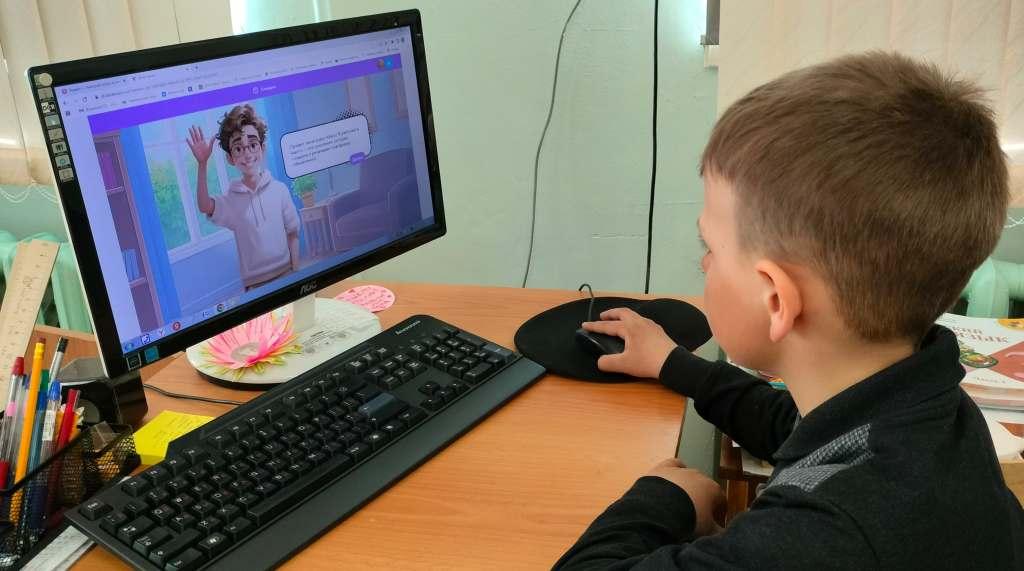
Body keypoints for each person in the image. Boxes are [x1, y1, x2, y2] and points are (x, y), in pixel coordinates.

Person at [555, 52, 1024, 569]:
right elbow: (795, 426)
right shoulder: (927, 411)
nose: (705, 263)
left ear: (776, 299)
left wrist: (665, 496)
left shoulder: (825, 534)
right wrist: (672, 363)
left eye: (710, 248)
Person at [187, 104, 300, 291]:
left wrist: (296, 274)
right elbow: (204, 206)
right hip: (255, 286)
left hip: (287, 275)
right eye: (238, 149)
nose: (247, 154)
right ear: (230, 158)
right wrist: (202, 164)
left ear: (262, 148)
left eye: (253, 145)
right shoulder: (231, 201)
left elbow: (293, 233)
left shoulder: (279, 190)